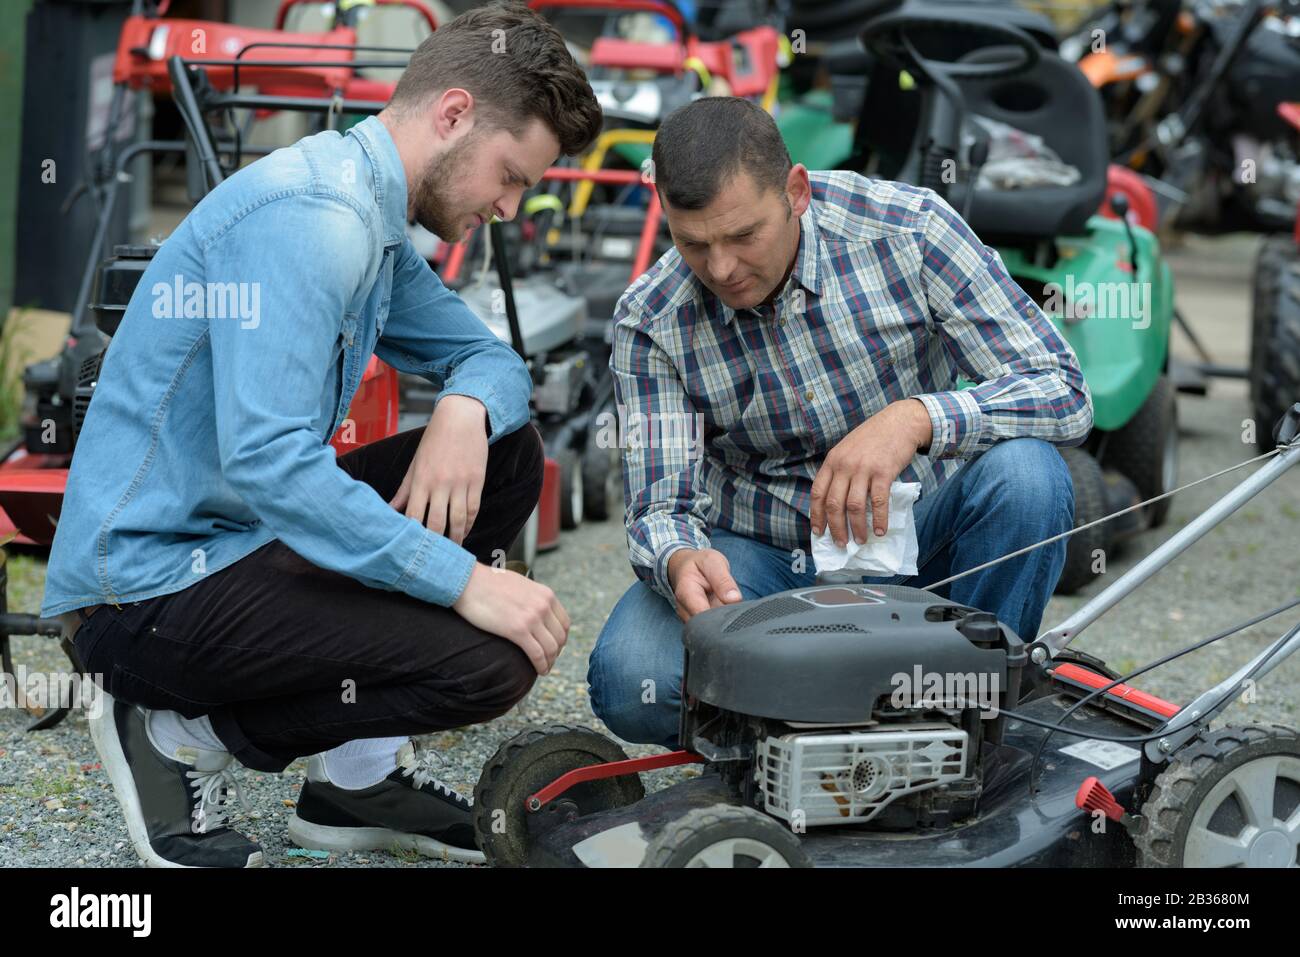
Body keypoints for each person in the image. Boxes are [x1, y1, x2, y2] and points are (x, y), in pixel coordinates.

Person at [39, 2, 602, 868]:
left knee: (506, 456)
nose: (509, 205)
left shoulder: (371, 220)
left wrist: (465, 408)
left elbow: (495, 363)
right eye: (511, 174)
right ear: (453, 114)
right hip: (143, 596)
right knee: (487, 664)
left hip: (238, 545)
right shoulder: (314, 218)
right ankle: (180, 732)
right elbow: (270, 464)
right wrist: (460, 582)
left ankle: (356, 781)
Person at [587, 97, 1093, 749]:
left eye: (743, 236)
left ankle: (968, 713)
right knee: (631, 678)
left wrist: (916, 418)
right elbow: (660, 504)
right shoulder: (650, 320)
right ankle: (835, 744)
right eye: (694, 244)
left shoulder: (910, 230)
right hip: (762, 565)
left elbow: (1064, 388)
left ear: (796, 191)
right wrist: (681, 557)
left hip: (923, 545)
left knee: (1029, 478)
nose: (721, 269)